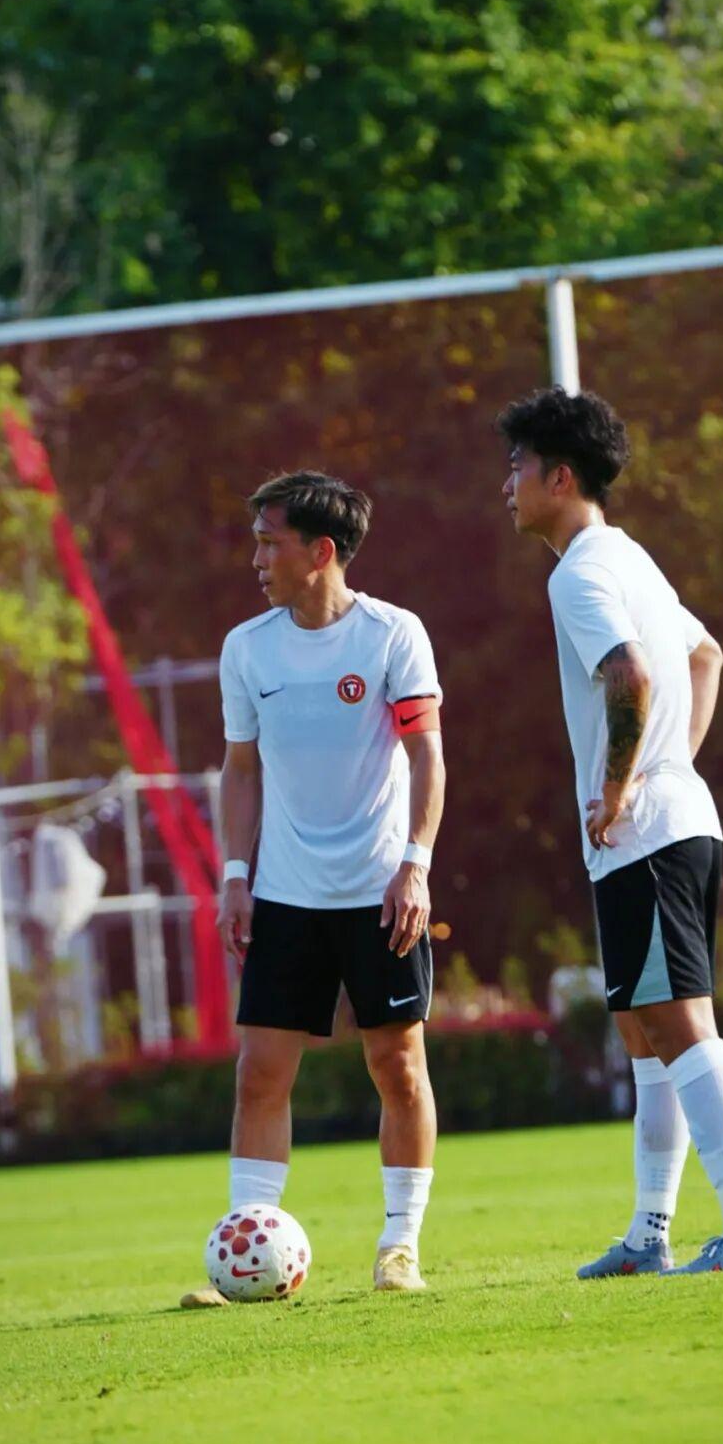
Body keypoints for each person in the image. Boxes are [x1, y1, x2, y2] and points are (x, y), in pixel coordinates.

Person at [498, 386, 723, 1277]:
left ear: (560, 477)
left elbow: (631, 675)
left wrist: (628, 781)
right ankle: (648, 1236)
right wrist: (672, 764)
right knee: (642, 1032)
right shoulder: (630, 557)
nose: (506, 485)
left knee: (681, 1024)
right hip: (664, 821)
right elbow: (706, 654)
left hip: (650, 831)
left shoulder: (579, 572)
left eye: (516, 467)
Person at [180, 469, 445, 1305]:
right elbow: (241, 768)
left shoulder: (393, 635)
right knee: (260, 1074)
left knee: (398, 1065)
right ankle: (244, 1253)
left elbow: (427, 755)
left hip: (380, 891)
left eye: (270, 542)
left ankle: (399, 1247)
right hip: (286, 896)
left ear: (320, 550)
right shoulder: (246, 648)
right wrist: (235, 877)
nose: (256, 558)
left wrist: (415, 864)